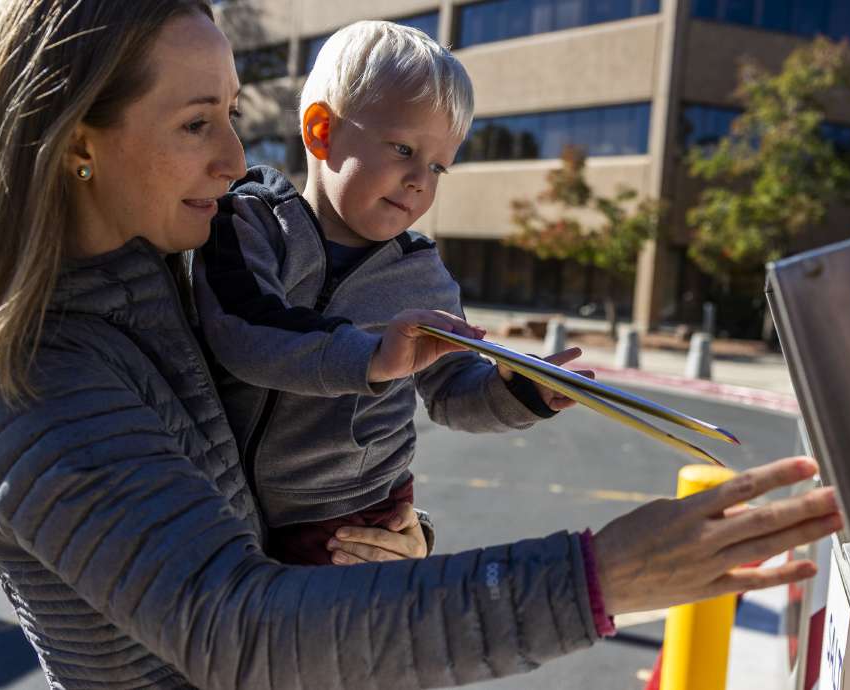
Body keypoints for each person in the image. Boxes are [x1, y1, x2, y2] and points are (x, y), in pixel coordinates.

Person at [0, 2, 843, 688]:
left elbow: (279, 491)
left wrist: (396, 543)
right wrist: (599, 580)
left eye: (229, 114)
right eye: (195, 122)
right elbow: (229, 625)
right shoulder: (25, 378)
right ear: (75, 140)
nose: (233, 157)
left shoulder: (167, 265)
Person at [194, 20, 589, 566]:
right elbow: (244, 329)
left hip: (355, 517)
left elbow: (452, 391)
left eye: (436, 167)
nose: (419, 180)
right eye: (403, 148)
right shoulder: (250, 222)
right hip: (224, 505)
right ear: (320, 131)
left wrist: (518, 393)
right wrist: (373, 357)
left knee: (334, 644)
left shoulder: (422, 273)